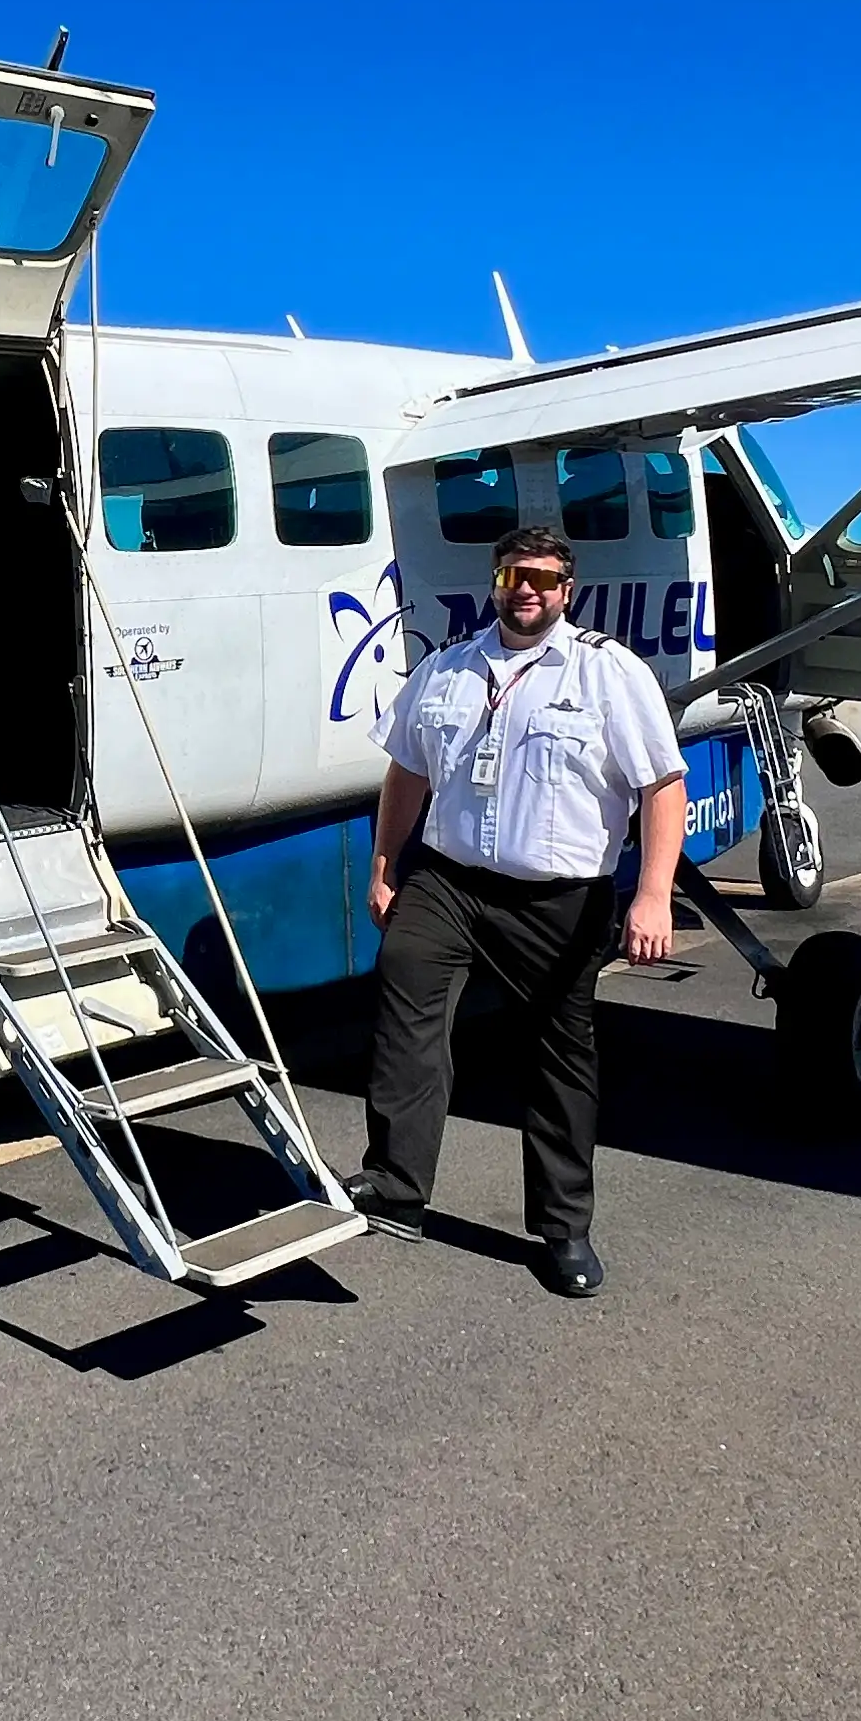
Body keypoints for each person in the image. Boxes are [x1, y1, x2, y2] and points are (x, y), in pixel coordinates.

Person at [349, 521, 688, 1297]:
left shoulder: (608, 673)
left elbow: (661, 787)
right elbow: (407, 771)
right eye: (511, 576)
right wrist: (383, 867)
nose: (524, 589)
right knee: (404, 989)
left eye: (540, 578)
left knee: (558, 1057)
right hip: (450, 882)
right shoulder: (447, 669)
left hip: (558, 898)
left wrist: (653, 894)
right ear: (494, 584)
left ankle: (564, 1230)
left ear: (567, 591)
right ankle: (397, 1186)